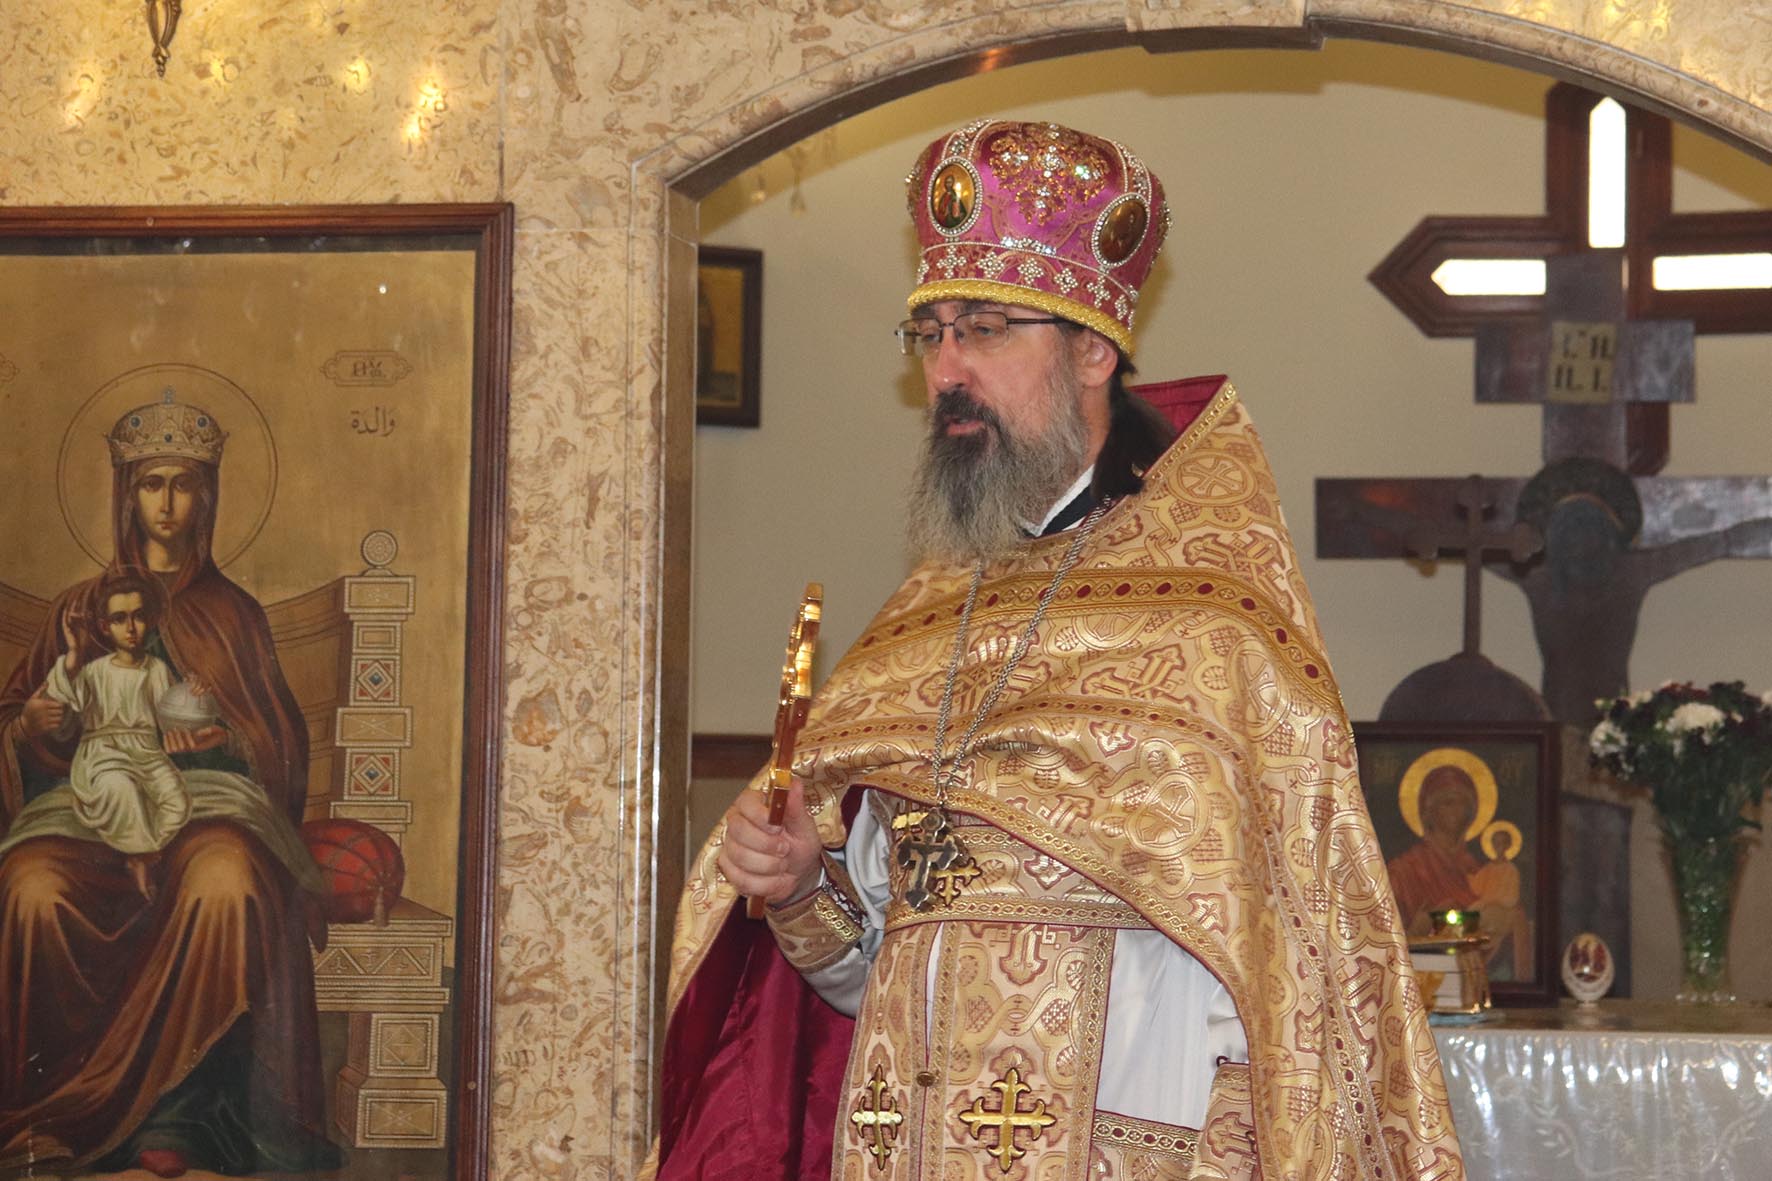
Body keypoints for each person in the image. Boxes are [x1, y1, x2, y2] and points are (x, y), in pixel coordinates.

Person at [648, 120, 1462, 1179]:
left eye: (985, 329)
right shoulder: (917, 625)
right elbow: (872, 969)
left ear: (1092, 350)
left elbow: (1282, 993)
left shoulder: (1208, 629)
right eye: (929, 332)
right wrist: (800, 884)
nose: (946, 369)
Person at [0, 391, 336, 1178]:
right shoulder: (78, 609)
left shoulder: (232, 614)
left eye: (184, 484)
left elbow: (279, 741)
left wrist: (221, 740)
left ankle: (181, 1121)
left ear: (207, 498)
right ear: (127, 493)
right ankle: (54, 1117)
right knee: (30, 887)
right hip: (86, 808)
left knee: (225, 880)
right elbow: (24, 716)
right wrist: (31, 728)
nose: (167, 502)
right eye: (152, 482)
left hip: (206, 812)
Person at [37, 569, 193, 900]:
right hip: (103, 755)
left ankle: (141, 847)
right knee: (122, 789)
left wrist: (191, 701)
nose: (131, 628)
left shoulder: (157, 670)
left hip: (147, 754)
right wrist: (74, 653)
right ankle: (140, 860)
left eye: (138, 616)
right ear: (106, 627)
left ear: (149, 620)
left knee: (178, 802)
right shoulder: (94, 671)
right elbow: (62, 698)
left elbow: (171, 718)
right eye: (120, 619)